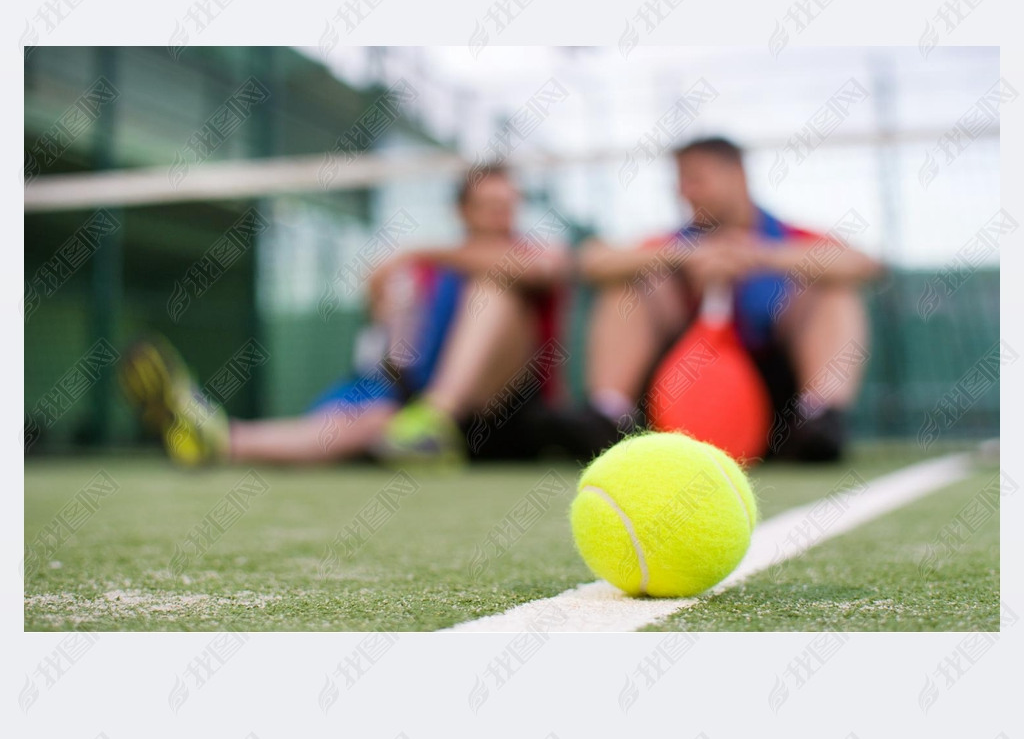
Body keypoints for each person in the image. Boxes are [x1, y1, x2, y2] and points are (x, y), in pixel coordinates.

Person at [120, 165, 605, 466]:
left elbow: (539, 269)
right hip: (426, 423)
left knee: (496, 286)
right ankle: (217, 437)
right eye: (489, 205)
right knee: (367, 416)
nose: (502, 214)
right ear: (464, 210)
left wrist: (420, 251)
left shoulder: (529, 251)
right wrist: (393, 315)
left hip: (508, 417)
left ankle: (434, 420)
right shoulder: (427, 278)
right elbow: (395, 356)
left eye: (508, 203)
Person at [579, 135, 884, 461]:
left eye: (695, 179)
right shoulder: (673, 243)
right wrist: (685, 256)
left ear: (737, 176)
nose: (685, 192)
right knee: (627, 284)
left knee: (833, 286)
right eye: (681, 181)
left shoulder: (785, 238)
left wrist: (756, 257)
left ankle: (819, 419)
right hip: (678, 390)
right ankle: (608, 418)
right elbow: (593, 261)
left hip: (777, 393)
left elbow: (864, 264)